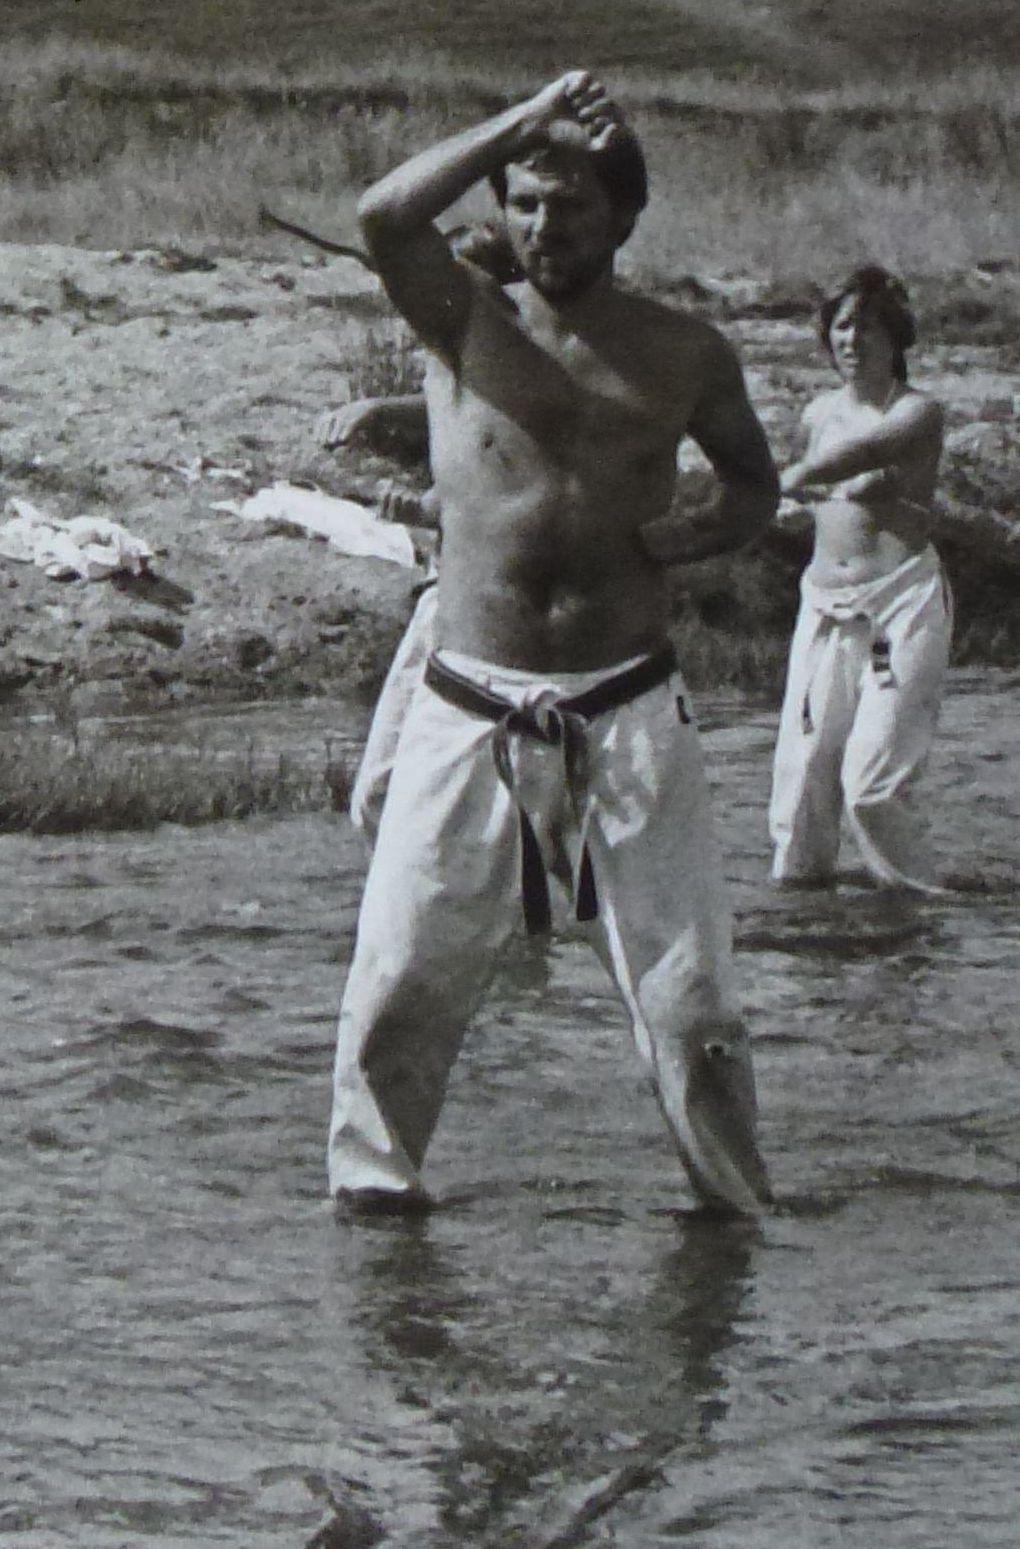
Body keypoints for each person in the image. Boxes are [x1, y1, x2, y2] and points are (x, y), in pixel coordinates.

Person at [327, 73, 779, 1216]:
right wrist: (520, 120)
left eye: (571, 205)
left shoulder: (684, 352)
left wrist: (698, 536)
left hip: (626, 708)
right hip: (468, 703)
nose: (545, 227)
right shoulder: (464, 318)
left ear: (625, 218)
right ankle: (378, 1217)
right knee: (399, 988)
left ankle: (730, 1217)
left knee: (690, 1002)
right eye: (524, 202)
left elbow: (752, 482)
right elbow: (383, 218)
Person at [768, 263, 949, 891]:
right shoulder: (818, 413)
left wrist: (794, 479)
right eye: (843, 327)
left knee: (871, 787)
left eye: (869, 327)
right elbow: (816, 481)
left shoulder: (920, 411)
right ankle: (806, 919)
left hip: (898, 603)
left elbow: (864, 453)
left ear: (896, 337)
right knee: (802, 781)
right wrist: (799, 492)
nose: (853, 340)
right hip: (823, 604)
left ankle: (922, 906)